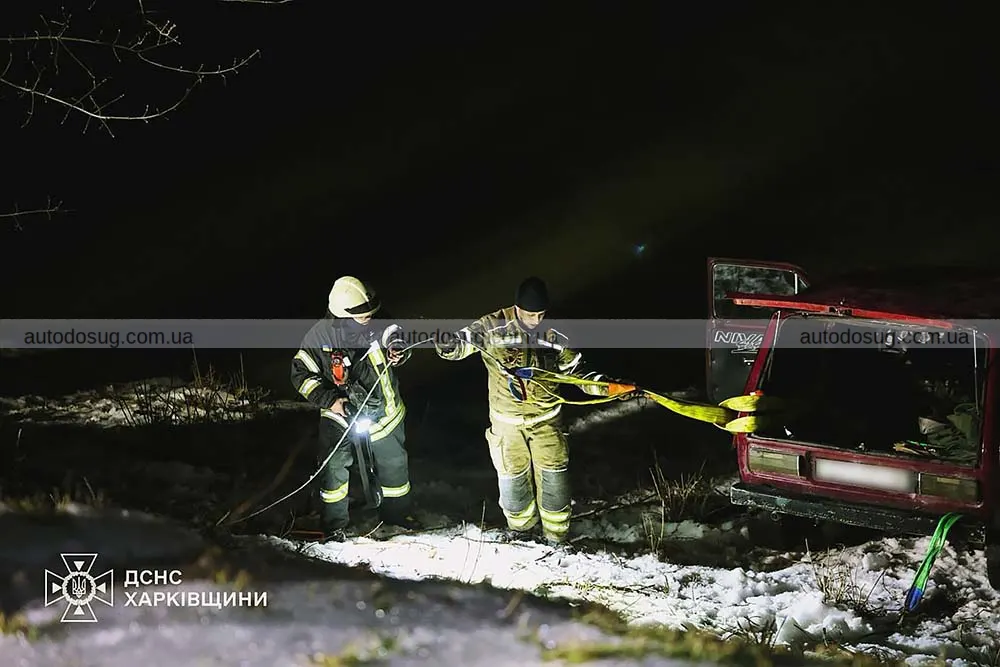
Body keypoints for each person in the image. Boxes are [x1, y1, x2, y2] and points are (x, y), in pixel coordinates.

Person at [434, 276, 630, 546]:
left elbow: (578, 373)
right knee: (513, 484)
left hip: (547, 422)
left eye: (540, 314)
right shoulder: (493, 326)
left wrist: (609, 387)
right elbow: (461, 345)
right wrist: (447, 343)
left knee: (555, 483)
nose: (536, 320)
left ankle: (557, 538)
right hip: (506, 425)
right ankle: (521, 535)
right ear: (516, 308)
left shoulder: (554, 334)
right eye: (529, 314)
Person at [290, 275, 419, 541]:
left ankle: (398, 518)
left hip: (384, 413)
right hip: (341, 415)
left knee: (394, 465)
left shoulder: (378, 322)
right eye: (363, 315)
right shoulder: (318, 339)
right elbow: (300, 375)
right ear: (343, 315)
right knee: (334, 467)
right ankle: (334, 525)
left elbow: (394, 332)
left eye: (372, 312)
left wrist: (399, 349)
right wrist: (331, 401)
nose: (370, 318)